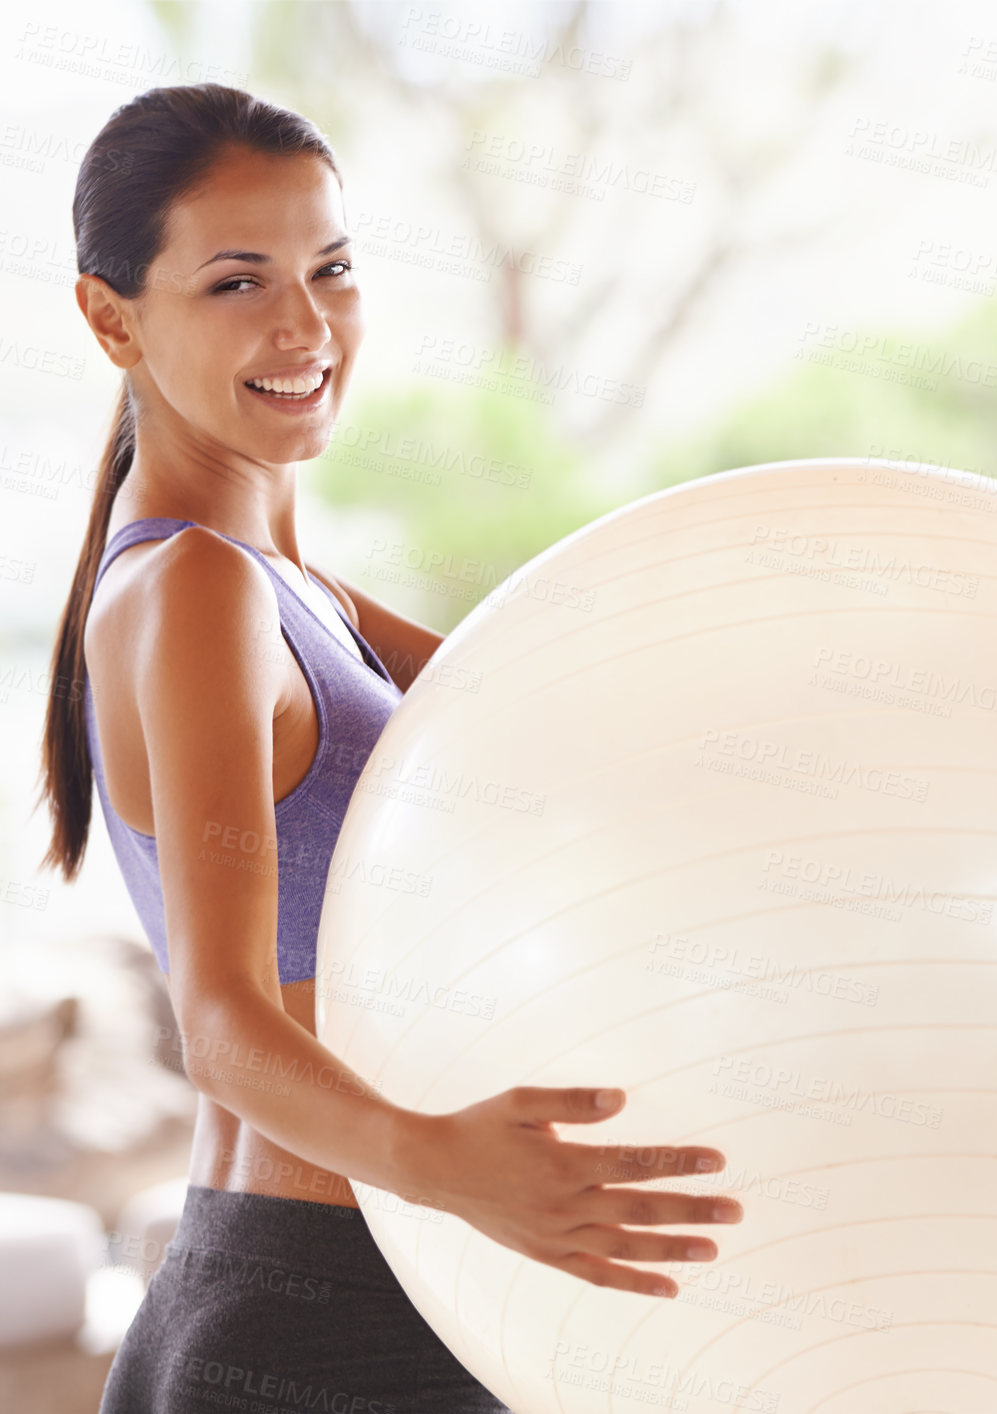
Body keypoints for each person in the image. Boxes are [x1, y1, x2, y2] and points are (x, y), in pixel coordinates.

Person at [36, 83, 742, 1414]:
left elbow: (579, 728)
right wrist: (442, 1160)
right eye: (237, 281)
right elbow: (222, 1021)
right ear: (110, 314)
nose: (304, 323)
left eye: (333, 268)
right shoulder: (194, 592)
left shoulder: (298, 592)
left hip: (342, 1295)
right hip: (319, 1315)